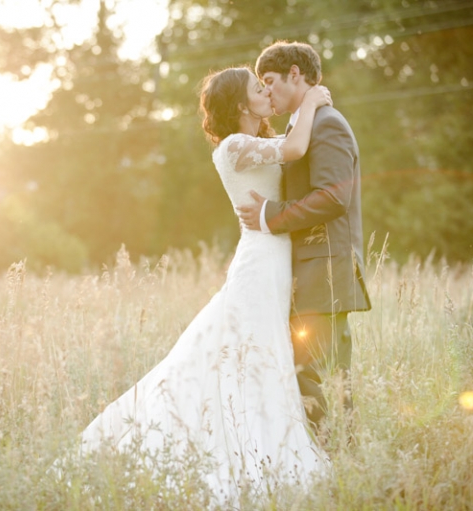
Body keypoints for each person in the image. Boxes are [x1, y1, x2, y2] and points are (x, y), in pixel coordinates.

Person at [79, 66, 332, 504]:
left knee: (260, 351)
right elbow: (294, 147)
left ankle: (260, 438)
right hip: (259, 262)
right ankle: (244, 447)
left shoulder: (255, 142)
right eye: (259, 88)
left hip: (275, 259)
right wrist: (310, 100)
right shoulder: (234, 147)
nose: (267, 92)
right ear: (239, 104)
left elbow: (291, 149)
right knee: (251, 353)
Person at [237, 41, 371, 432]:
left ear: (295, 74)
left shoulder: (328, 123)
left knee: (323, 382)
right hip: (306, 277)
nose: (267, 91)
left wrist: (268, 215)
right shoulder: (305, 124)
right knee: (308, 380)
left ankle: (342, 469)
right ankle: (330, 467)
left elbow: (334, 198)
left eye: (271, 81)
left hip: (325, 274)